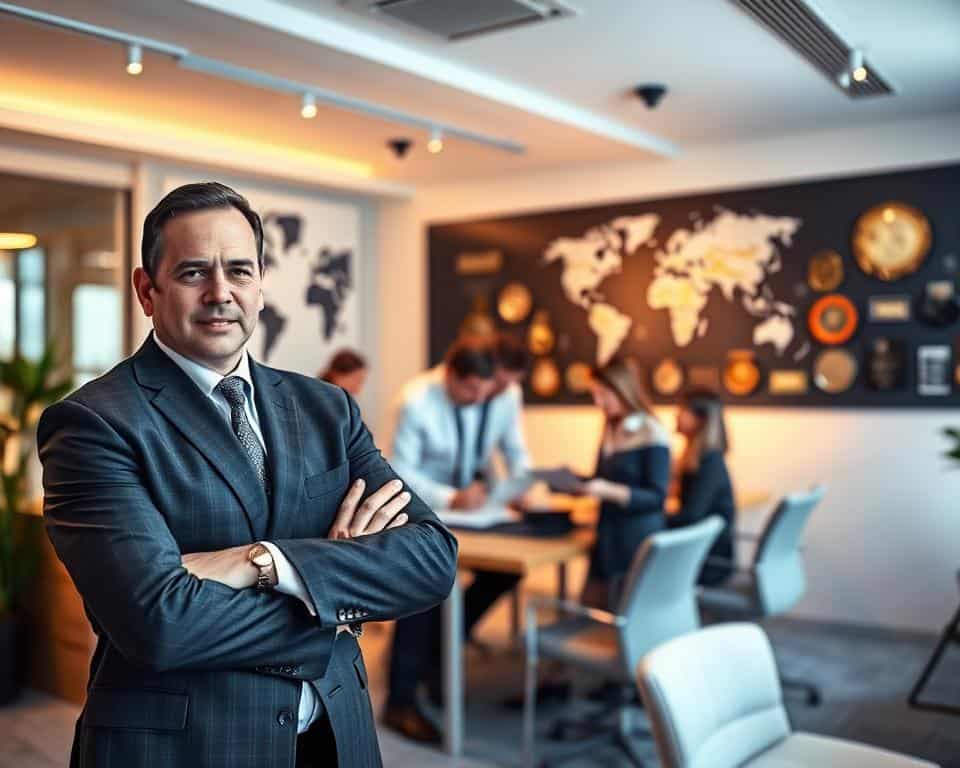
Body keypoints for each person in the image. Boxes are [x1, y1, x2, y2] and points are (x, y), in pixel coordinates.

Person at [36, 182, 458, 768]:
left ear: (260, 285)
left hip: (336, 739)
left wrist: (266, 562)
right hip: (188, 749)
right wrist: (337, 602)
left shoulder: (327, 409)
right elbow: (158, 623)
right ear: (147, 290)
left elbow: (432, 558)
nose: (220, 293)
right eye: (193, 273)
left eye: (238, 270)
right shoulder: (94, 423)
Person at [383, 336, 530, 743]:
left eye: (486, 392)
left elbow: (510, 449)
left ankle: (441, 654)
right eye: (471, 391)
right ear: (451, 376)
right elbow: (399, 471)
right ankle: (400, 699)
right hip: (421, 508)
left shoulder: (492, 393)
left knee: (506, 570)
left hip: (471, 510)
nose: (480, 400)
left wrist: (520, 486)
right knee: (425, 586)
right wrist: (451, 498)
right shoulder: (416, 401)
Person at [579, 357, 671, 610]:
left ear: (622, 389)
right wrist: (576, 482)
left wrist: (608, 491)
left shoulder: (651, 430)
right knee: (596, 608)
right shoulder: (610, 428)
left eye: (602, 394)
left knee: (627, 610)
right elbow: (602, 477)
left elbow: (657, 497)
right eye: (594, 395)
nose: (598, 403)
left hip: (635, 537)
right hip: (608, 533)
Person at [668, 389, 736, 586]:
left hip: (707, 561)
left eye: (681, 410)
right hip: (701, 552)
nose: (676, 416)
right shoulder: (703, 459)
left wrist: (656, 517)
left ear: (701, 419)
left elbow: (691, 515)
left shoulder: (709, 462)